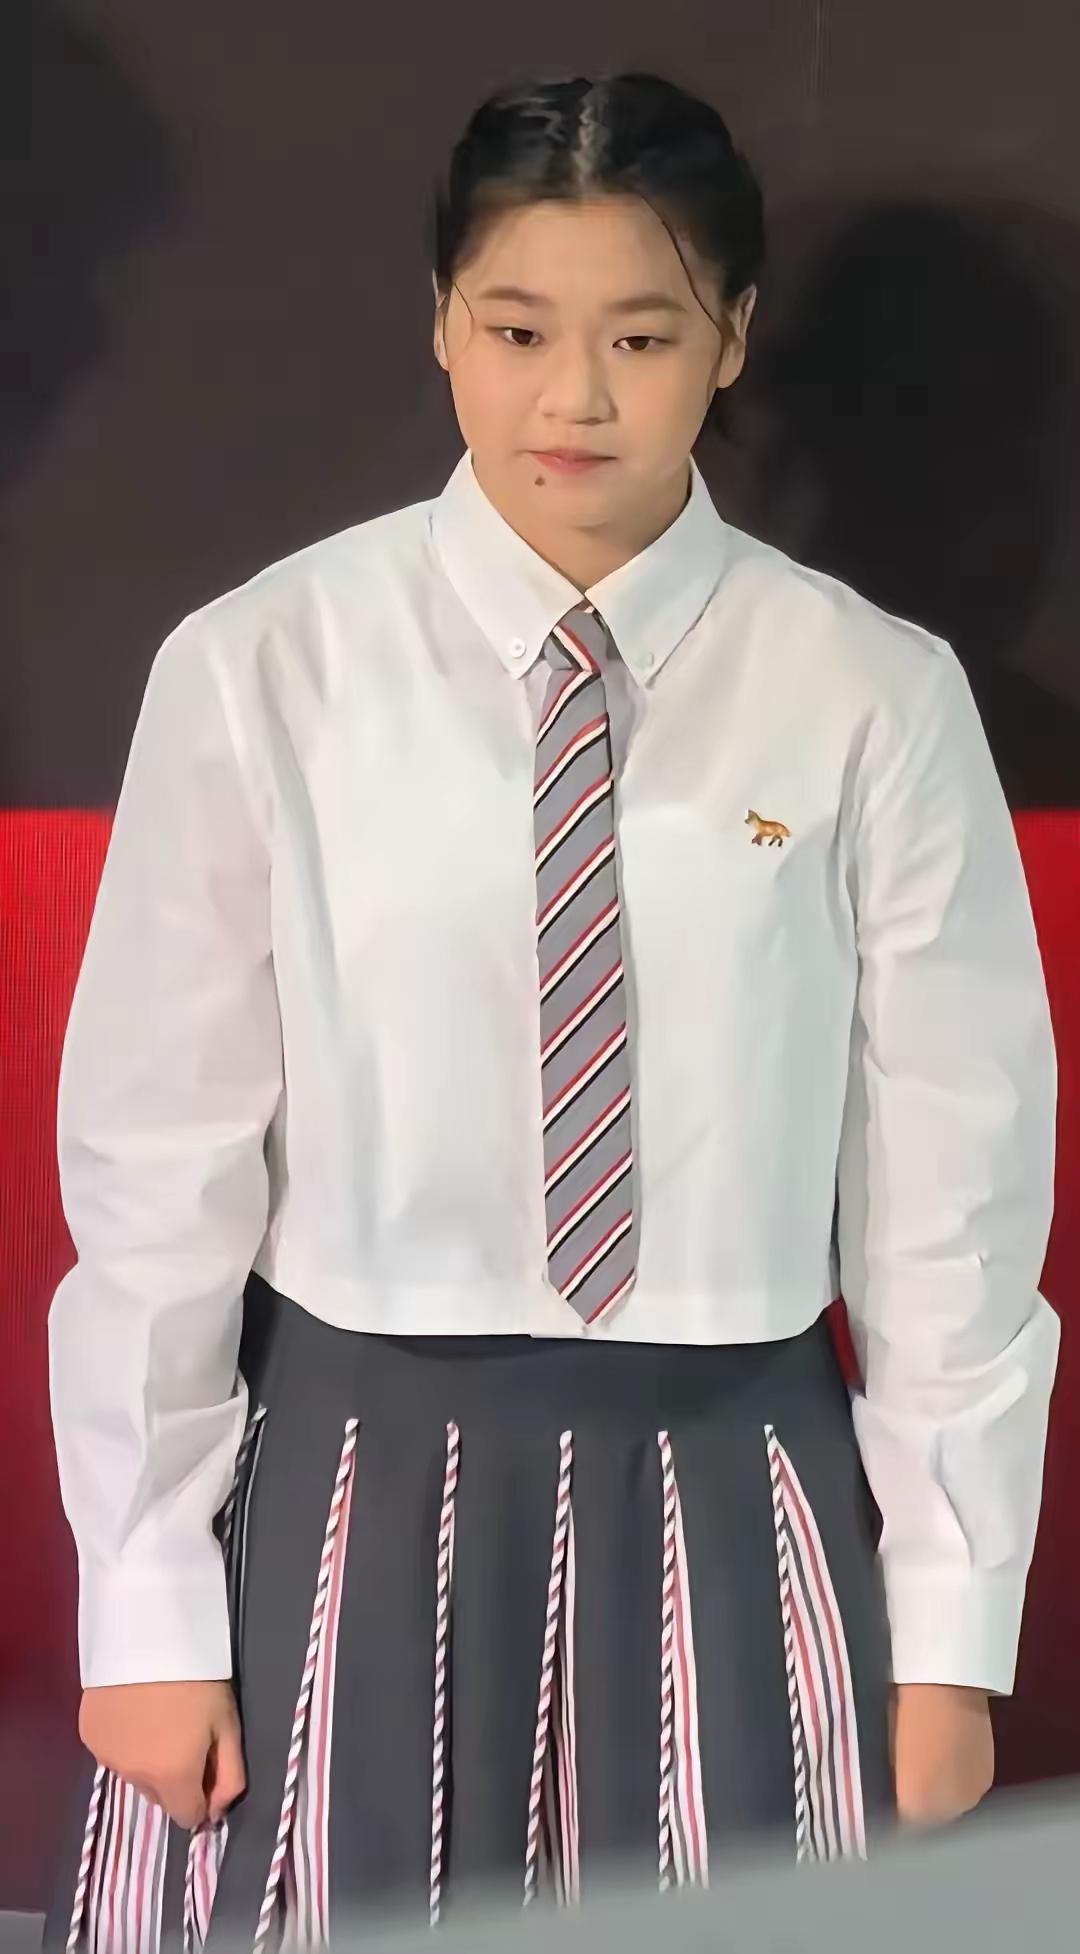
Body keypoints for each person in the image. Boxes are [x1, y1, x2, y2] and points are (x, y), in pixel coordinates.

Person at [44, 68, 1059, 1953]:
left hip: (740, 1479)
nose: (572, 397)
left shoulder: (871, 695)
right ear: (442, 321)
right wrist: (148, 1600)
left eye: (641, 337)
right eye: (516, 330)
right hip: (347, 1482)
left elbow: (956, 1200)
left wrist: (949, 1633)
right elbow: (157, 1166)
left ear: (731, 337)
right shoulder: (265, 667)